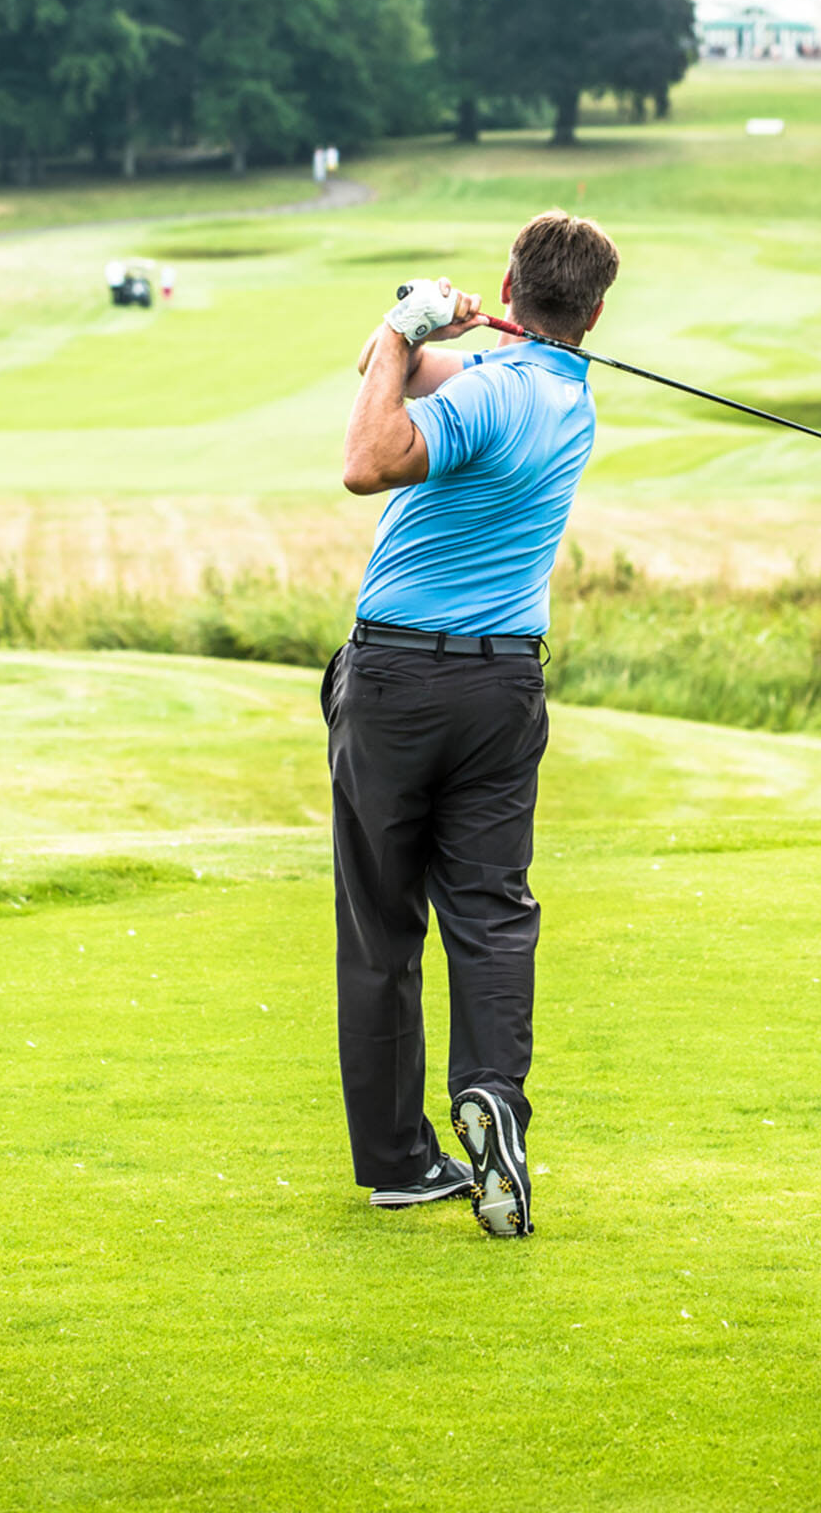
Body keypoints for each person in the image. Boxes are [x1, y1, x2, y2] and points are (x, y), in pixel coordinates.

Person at [321, 209, 620, 1237]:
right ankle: (492, 1096)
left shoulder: (489, 394)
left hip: (399, 679)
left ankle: (403, 1162)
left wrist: (408, 331)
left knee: (381, 929)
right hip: (501, 690)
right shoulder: (565, 404)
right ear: (593, 309)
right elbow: (387, 369)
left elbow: (368, 458)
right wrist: (410, 331)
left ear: (509, 281)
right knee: (490, 913)